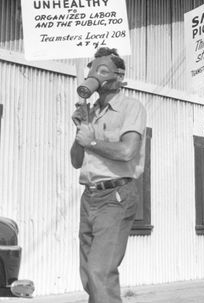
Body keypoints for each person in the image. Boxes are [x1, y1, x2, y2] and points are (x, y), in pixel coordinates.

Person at [70, 47, 147, 303]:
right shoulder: (90, 112)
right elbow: (75, 161)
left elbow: (127, 151)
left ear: (119, 77)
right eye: (92, 70)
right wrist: (80, 130)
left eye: (103, 71)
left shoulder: (131, 107)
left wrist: (92, 142)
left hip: (115, 196)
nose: (95, 76)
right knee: (88, 275)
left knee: (100, 271)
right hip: (89, 197)